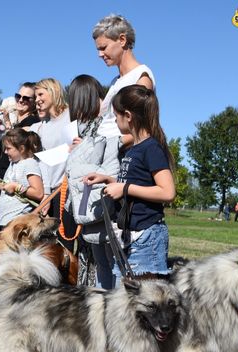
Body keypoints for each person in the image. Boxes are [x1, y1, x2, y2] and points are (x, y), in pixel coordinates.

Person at [84, 84, 175, 284]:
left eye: (116, 116)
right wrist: (110, 181)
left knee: (141, 301)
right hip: (133, 235)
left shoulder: (151, 148)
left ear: (128, 116)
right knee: (128, 300)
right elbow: (138, 184)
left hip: (147, 236)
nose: (115, 120)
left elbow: (167, 192)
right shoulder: (135, 149)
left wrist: (124, 188)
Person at [67, 74, 120, 289]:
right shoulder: (87, 126)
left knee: (109, 262)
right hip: (87, 203)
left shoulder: (108, 124)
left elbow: (108, 162)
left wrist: (81, 149)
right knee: (99, 263)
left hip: (102, 204)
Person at [92, 14, 155, 149]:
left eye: (103, 48)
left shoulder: (141, 77)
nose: (100, 54)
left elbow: (142, 129)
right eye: (98, 49)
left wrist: (111, 146)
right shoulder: (116, 81)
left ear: (122, 40)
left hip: (118, 156)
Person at [29, 78, 76, 252]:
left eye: (41, 94)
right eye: (35, 96)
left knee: (70, 239)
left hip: (70, 187)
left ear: (53, 91)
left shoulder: (71, 116)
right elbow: (42, 163)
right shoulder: (41, 127)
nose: (37, 99)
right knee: (53, 242)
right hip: (53, 190)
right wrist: (46, 193)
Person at [0, 129, 44, 230]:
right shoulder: (13, 163)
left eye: (8, 148)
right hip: (4, 220)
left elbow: (38, 193)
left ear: (21, 149)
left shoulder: (30, 163)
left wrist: (16, 187)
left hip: (17, 223)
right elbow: (7, 187)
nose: (5, 151)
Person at [0, 82, 40, 183]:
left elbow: (14, 142)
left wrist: (7, 122)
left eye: (26, 98)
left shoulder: (33, 121)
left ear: (34, 102)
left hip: (16, 179)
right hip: (2, 175)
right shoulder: (15, 121)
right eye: (18, 96)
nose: (21, 100)